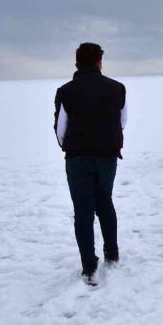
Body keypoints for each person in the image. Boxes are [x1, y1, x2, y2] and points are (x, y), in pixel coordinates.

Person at [54, 43, 127, 285]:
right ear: (99, 62)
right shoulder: (118, 89)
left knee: (83, 211)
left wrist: (74, 146)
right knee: (105, 201)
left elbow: (60, 130)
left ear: (77, 64)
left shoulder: (65, 91)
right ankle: (112, 253)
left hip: (77, 158)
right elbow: (122, 122)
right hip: (107, 156)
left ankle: (88, 265)